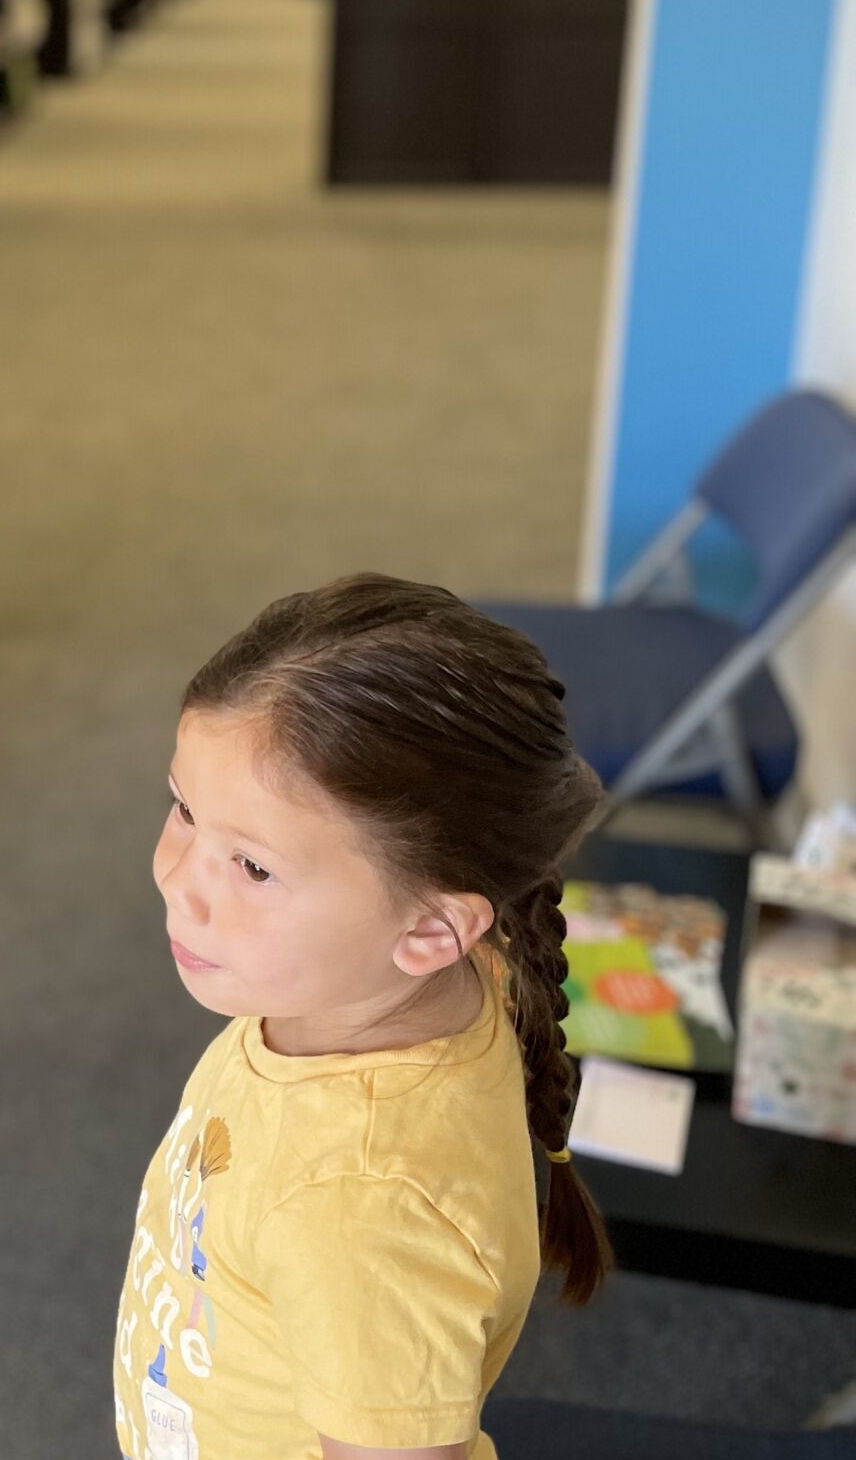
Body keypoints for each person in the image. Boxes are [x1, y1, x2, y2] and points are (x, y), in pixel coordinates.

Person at [116, 575, 611, 1460]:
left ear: (430, 927)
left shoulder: (361, 1211)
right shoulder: (379, 984)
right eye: (185, 809)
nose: (178, 882)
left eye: (253, 868)